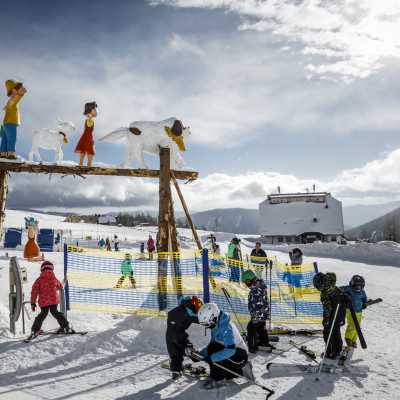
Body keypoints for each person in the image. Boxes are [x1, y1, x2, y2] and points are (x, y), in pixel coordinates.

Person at [194, 302, 253, 390]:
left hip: (239, 357)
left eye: (207, 324)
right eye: (205, 324)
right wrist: (200, 355)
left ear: (214, 317)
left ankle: (219, 381)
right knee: (225, 373)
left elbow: (230, 350)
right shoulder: (216, 325)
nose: (207, 326)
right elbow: (212, 343)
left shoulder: (226, 328)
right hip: (233, 357)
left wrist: (212, 358)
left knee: (214, 352)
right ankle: (242, 370)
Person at [28, 261, 74, 340]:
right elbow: (60, 286)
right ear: (52, 269)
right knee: (55, 312)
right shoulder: (54, 278)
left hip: (44, 301)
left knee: (42, 314)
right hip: (53, 300)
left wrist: (32, 303)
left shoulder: (39, 280)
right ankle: (65, 327)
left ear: (41, 269)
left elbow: (34, 291)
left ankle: (34, 331)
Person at [165, 295, 203, 380]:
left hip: (168, 334)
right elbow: (201, 319)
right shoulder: (190, 313)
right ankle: (189, 351)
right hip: (179, 333)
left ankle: (175, 371)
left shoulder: (177, 308)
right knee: (184, 344)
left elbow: (169, 314)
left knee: (174, 354)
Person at [313, 272, 347, 359]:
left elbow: (327, 308)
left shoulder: (325, 292)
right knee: (336, 332)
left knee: (328, 333)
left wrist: (326, 319)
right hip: (340, 315)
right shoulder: (335, 288)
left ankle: (331, 351)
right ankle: (338, 349)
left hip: (332, 316)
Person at [241, 269, 274, 352]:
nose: (246, 285)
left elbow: (256, 304)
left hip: (258, 313)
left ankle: (252, 346)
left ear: (248, 281)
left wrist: (254, 315)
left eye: (245, 283)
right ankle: (264, 342)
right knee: (261, 328)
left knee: (251, 328)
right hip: (264, 313)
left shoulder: (254, 290)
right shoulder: (260, 286)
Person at [1, 79, 27, 160]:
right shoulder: (13, 101)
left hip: (5, 123)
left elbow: (8, 107)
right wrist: (20, 94)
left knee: (5, 138)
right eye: (19, 87)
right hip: (11, 122)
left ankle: (2, 154)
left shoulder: (10, 102)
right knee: (12, 137)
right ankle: (11, 154)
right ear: (14, 90)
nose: (22, 88)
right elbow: (18, 97)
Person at [340, 275, 368, 348]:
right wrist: (344, 294)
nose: (359, 289)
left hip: (359, 311)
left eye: (361, 287)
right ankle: (348, 337)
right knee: (353, 325)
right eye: (357, 287)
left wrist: (365, 303)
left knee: (357, 326)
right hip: (350, 309)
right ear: (353, 284)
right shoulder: (348, 289)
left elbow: (364, 298)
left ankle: (353, 339)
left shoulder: (362, 292)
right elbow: (339, 290)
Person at [74, 101, 97, 166]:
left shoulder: (89, 119)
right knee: (90, 149)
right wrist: (89, 116)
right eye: (95, 109)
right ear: (90, 110)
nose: (97, 111)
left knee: (83, 148)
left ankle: (81, 162)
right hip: (89, 136)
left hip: (85, 135)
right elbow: (89, 119)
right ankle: (88, 163)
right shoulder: (90, 118)